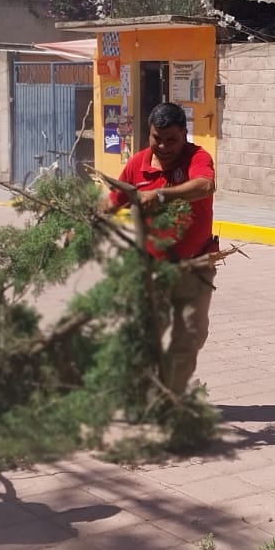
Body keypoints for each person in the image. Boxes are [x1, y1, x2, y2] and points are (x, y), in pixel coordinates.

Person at [101, 101, 217, 395]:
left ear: (184, 135)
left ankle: (169, 400)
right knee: (146, 334)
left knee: (190, 335)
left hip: (197, 265)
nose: (163, 146)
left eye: (171, 140)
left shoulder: (197, 158)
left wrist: (162, 195)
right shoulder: (136, 165)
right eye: (157, 138)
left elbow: (205, 186)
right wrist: (81, 222)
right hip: (153, 268)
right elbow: (112, 203)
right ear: (149, 134)